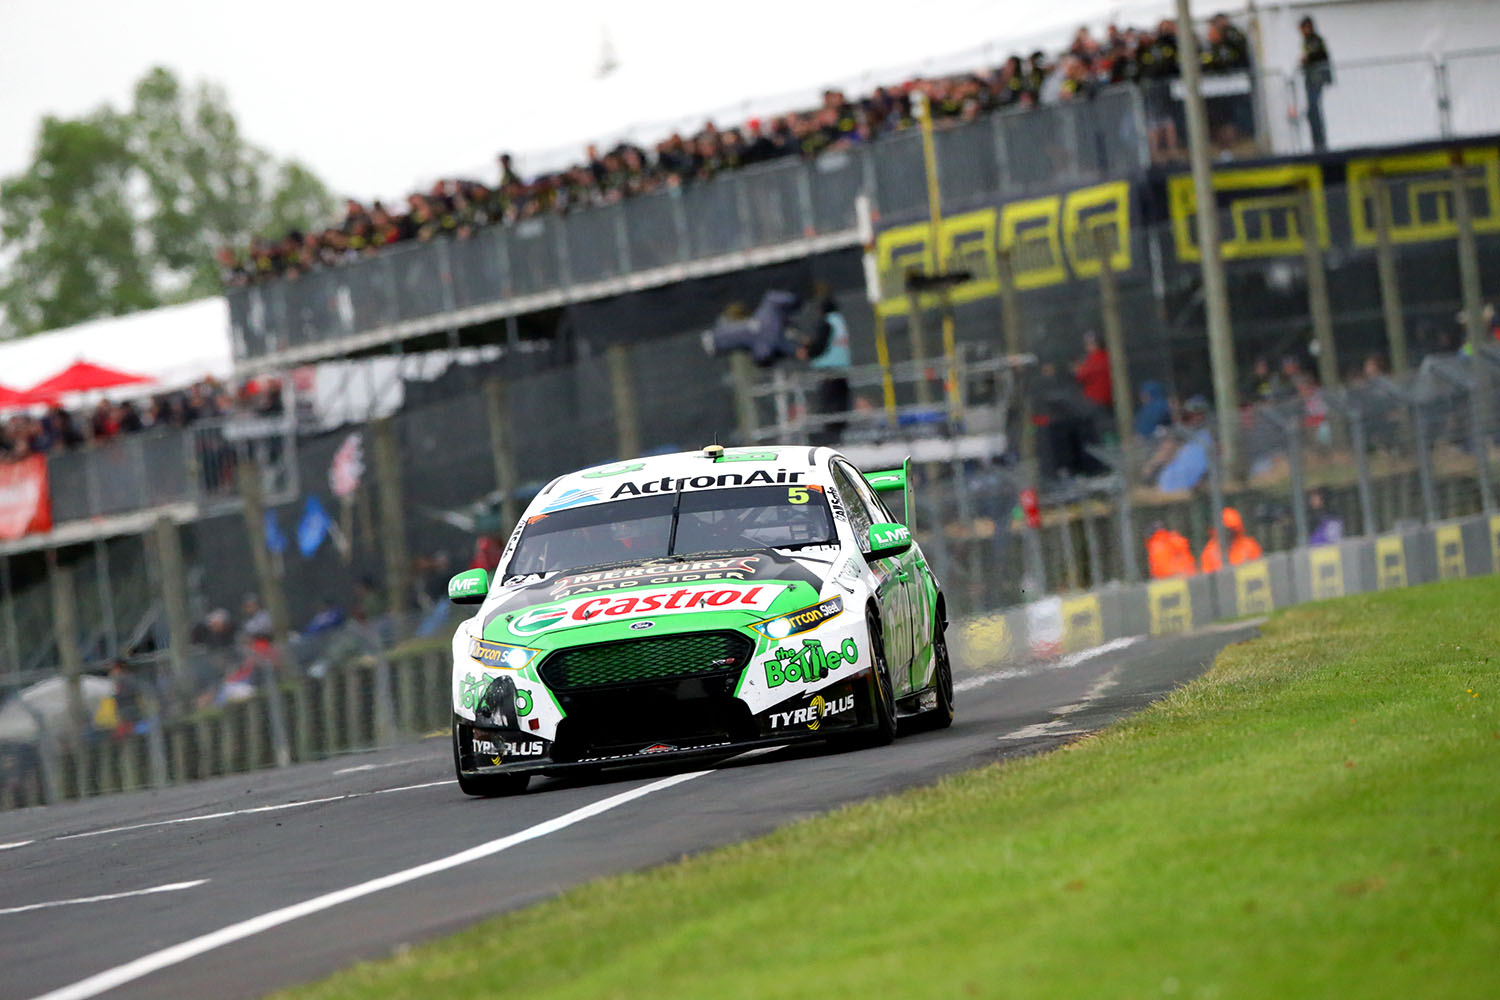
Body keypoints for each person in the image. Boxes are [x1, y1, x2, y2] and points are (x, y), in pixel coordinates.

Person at [796, 283, 851, 445]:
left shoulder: (826, 323)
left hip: (828, 371)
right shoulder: (839, 321)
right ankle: (839, 437)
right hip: (842, 369)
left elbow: (819, 346)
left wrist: (807, 350)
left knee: (829, 408)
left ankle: (831, 441)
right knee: (840, 407)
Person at [1299, 16, 1333, 152]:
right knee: (1312, 111)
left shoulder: (1315, 40)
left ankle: (1320, 143)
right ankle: (1317, 142)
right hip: (1311, 79)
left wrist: (1306, 60)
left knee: (1313, 110)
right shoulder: (1308, 41)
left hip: (1316, 79)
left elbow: (1317, 56)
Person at [1200, 506, 1263, 571]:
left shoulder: (1249, 546)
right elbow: (1207, 575)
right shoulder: (1209, 552)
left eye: (1231, 530)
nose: (1228, 534)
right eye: (1225, 530)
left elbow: (1260, 570)